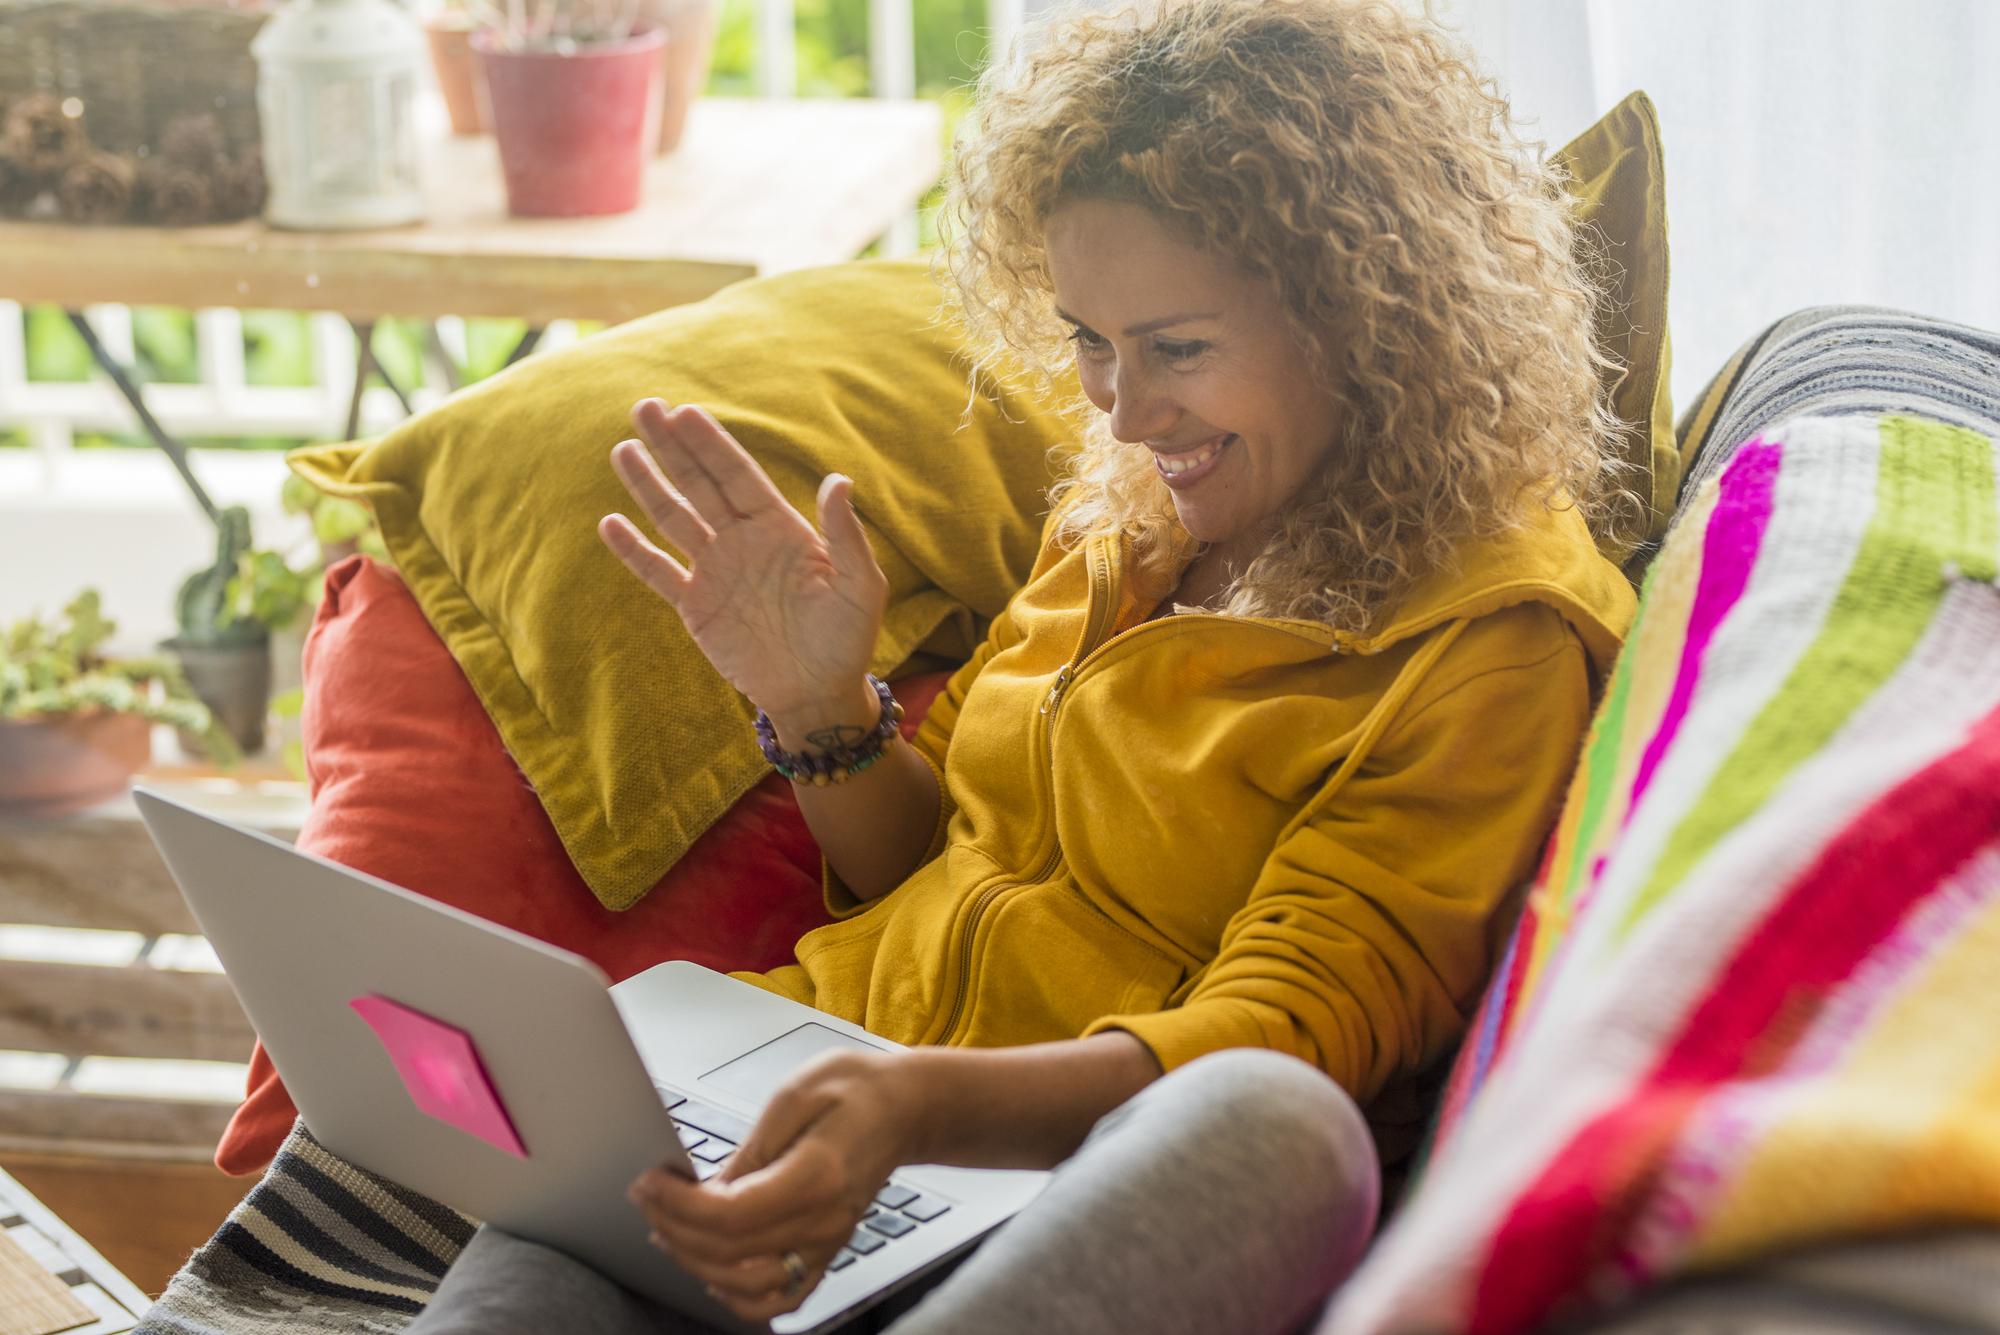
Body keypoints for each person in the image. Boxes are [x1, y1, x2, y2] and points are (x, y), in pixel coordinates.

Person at [408, 0, 1636, 1330]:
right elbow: (937, 866)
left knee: (1281, 1131)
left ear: (1371, 316)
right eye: (1089, 343)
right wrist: (821, 708)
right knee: (557, 1157)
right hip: (848, 1085)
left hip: (1075, 1190)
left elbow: (1295, 1035)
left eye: (1177, 349)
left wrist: (925, 1108)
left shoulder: (1491, 636)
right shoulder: (1129, 514)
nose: (1121, 410)